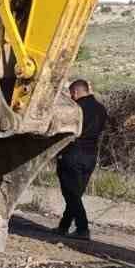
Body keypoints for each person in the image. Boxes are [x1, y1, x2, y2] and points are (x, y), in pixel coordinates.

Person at [57, 78, 108, 239]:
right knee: (76, 194)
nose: (71, 97)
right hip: (91, 155)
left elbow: (65, 131)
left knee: (71, 194)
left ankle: (82, 228)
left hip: (72, 153)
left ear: (76, 92)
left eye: (72, 94)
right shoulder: (101, 109)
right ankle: (63, 227)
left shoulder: (75, 108)